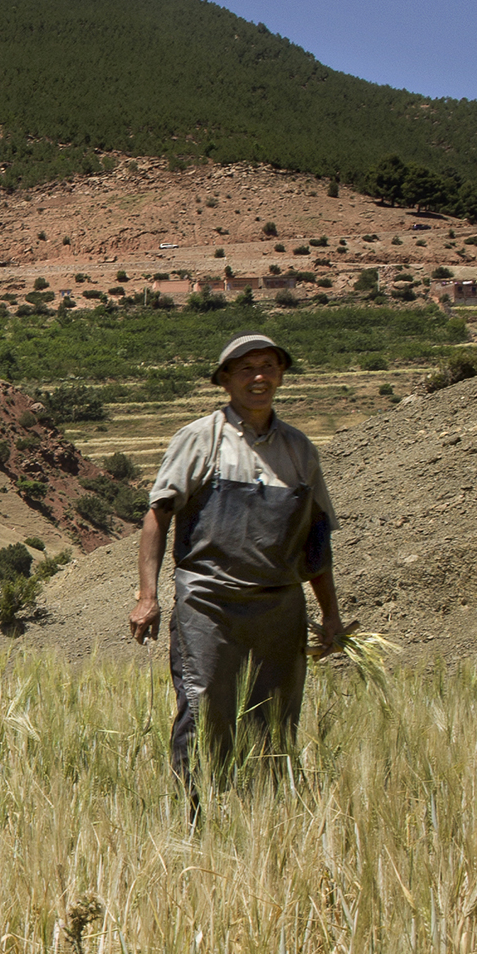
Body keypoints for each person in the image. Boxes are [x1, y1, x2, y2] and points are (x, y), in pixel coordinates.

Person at [130, 332, 345, 803]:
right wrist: (148, 597)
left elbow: (315, 540)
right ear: (225, 380)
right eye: (246, 369)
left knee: (275, 718)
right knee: (206, 709)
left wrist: (330, 613)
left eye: (269, 366)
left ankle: (262, 820)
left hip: (279, 607)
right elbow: (157, 515)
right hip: (209, 603)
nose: (259, 378)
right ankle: (198, 813)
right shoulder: (200, 439)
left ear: (282, 374)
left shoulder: (300, 451)